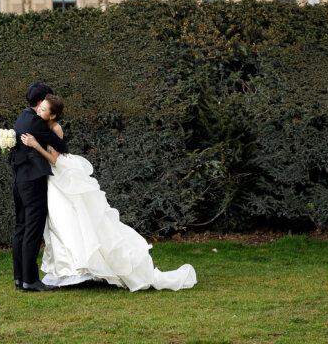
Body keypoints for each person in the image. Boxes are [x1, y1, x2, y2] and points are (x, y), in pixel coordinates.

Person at [21, 96, 197, 292]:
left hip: (60, 177)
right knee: (61, 224)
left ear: (52, 114)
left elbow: (54, 159)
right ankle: (67, 270)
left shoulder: (56, 129)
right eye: (40, 107)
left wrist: (35, 145)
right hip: (53, 181)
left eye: (44, 109)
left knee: (71, 221)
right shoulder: (41, 124)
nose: (39, 111)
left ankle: (85, 267)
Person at [10, 82, 67, 292]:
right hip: (33, 183)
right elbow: (62, 147)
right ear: (41, 101)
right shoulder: (38, 124)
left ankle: (19, 278)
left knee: (21, 228)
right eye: (47, 99)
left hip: (19, 180)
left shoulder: (22, 117)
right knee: (32, 231)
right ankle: (30, 280)